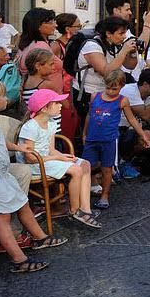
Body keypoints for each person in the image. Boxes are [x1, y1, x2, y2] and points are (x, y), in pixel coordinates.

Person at [18, 89, 100, 228]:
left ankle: (85, 209)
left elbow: (51, 149)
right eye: (56, 103)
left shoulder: (51, 123)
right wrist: (57, 158)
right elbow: (30, 158)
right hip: (35, 165)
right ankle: (75, 210)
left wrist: (63, 157)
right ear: (44, 108)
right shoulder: (30, 127)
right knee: (76, 170)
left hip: (47, 159)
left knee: (84, 164)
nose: (61, 105)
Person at [0, 126, 67, 273]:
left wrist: (19, 148)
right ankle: (19, 260)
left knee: (23, 203)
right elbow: (3, 103)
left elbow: (0, 140)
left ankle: (40, 238)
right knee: (2, 216)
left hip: (2, 173)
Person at [81, 70, 150, 210]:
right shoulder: (95, 96)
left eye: (115, 88)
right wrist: (84, 133)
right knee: (86, 167)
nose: (111, 91)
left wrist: (142, 135)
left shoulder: (122, 100)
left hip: (109, 139)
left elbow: (131, 119)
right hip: (92, 138)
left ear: (121, 87)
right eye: (108, 87)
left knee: (107, 169)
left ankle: (104, 196)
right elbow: (89, 116)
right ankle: (83, 196)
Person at [74, 16, 139, 124]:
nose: (124, 37)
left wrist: (132, 52)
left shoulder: (114, 45)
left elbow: (130, 66)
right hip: (87, 94)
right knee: (93, 127)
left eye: (125, 33)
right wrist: (124, 51)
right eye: (121, 33)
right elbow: (106, 72)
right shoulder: (92, 46)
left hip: (105, 92)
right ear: (108, 34)